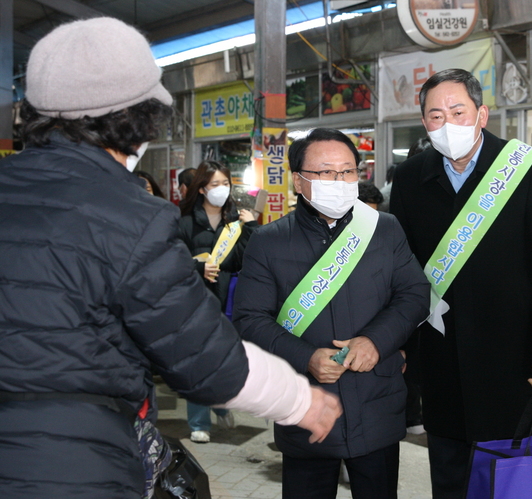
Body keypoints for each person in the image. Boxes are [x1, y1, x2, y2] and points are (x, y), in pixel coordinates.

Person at [0, 17, 341, 499]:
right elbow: (203, 358)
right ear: (138, 118)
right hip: (71, 463)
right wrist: (300, 400)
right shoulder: (131, 215)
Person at [389, 68, 532, 498]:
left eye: (458, 111)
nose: (447, 123)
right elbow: (402, 265)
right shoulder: (411, 177)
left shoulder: (525, 167)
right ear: (424, 122)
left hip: (514, 354)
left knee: (515, 474)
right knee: (450, 473)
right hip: (441, 352)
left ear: (481, 114)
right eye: (435, 115)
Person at [235, 127, 430, 499]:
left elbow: (414, 293)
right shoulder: (268, 241)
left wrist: (376, 341)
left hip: (377, 403)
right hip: (307, 407)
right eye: (325, 172)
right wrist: (305, 357)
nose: (338, 181)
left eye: (347, 171)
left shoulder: (384, 229)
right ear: (298, 180)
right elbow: (249, 320)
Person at [179, 159, 258, 443]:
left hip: (228, 303)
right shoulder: (184, 223)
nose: (222, 190)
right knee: (197, 364)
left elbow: (246, 260)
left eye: (226, 184)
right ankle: (199, 422)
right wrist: (197, 268)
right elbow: (168, 261)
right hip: (194, 305)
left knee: (223, 363)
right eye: (215, 185)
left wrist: (250, 229)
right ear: (201, 189)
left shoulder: (235, 222)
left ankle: (221, 403)